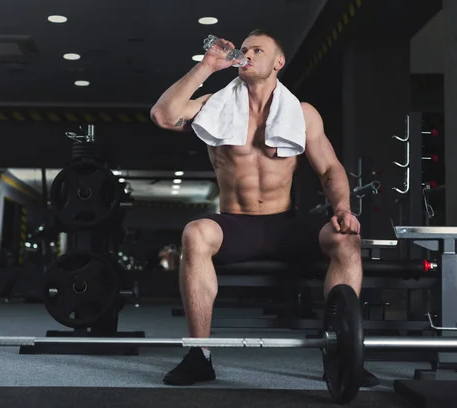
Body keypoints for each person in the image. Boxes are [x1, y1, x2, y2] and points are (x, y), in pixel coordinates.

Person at [150, 29, 379, 387]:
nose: (248, 54)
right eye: (244, 50)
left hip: (285, 225)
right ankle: (199, 355)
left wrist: (342, 208)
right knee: (195, 233)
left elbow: (330, 168)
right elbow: (163, 116)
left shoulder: (302, 114)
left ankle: (343, 353)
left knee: (345, 239)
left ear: (278, 63)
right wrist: (208, 65)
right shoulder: (215, 106)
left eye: (258, 50)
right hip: (234, 225)